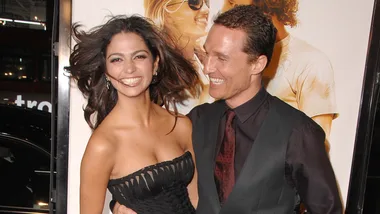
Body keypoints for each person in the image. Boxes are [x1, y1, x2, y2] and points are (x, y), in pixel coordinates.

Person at [112, 5, 343, 214]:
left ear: (257, 64)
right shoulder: (196, 121)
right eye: (207, 54)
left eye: (221, 58)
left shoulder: (299, 132)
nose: (208, 67)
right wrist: (122, 206)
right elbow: (156, 181)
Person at [67, 15, 201, 214]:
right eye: (117, 59)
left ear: (155, 63)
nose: (129, 68)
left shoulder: (181, 125)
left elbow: (197, 200)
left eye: (139, 56)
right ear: (106, 71)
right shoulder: (103, 144)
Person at [220, 0, 338, 152]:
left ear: (266, 6)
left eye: (234, 5)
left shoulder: (310, 62)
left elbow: (316, 150)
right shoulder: (229, 58)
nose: (224, 12)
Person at [144, 0, 214, 114]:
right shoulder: (155, 68)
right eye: (195, 2)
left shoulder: (205, 58)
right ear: (167, 12)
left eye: (207, 3)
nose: (206, 10)